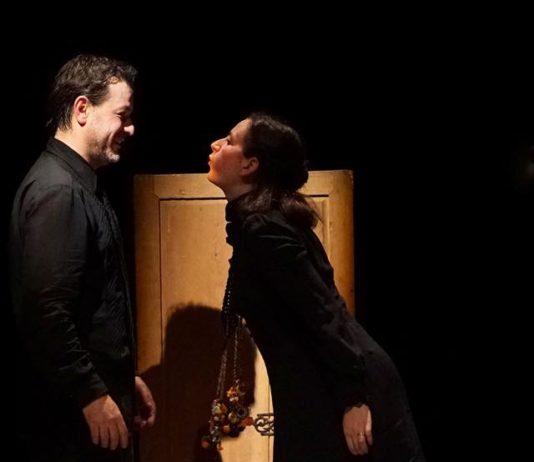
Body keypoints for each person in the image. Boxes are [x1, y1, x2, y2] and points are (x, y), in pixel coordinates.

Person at [207, 113, 425, 461]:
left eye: (229, 141)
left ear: (250, 164)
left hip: (339, 388)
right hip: (319, 389)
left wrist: (353, 397)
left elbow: (322, 310)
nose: (216, 144)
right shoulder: (260, 223)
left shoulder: (264, 228)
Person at [9, 54, 156, 462]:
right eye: (122, 115)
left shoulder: (79, 184)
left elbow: (94, 308)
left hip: (94, 404)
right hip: (75, 424)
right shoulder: (60, 192)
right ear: (82, 109)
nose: (130, 128)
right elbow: (47, 313)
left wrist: (124, 378)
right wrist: (91, 393)